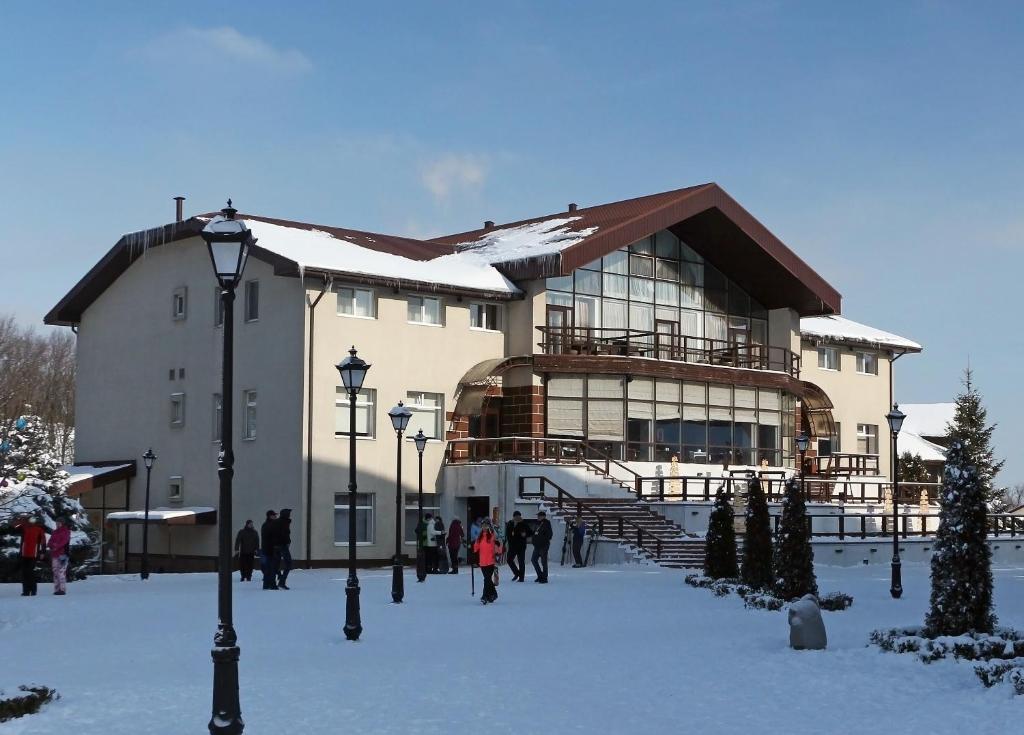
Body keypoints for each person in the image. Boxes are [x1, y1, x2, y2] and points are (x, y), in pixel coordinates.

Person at [13, 515, 46, 596]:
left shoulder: (39, 529)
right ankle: (26, 591)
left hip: (33, 554)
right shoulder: (24, 527)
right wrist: (22, 520)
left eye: (33, 519)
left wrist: (43, 552)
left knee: (30, 572)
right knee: (24, 573)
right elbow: (14, 527)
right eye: (30, 519)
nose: (32, 521)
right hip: (24, 554)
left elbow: (43, 541)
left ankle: (33, 590)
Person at [472, 521, 503, 604]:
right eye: (483, 526)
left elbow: (498, 548)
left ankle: (484, 596)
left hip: (491, 561)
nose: (484, 527)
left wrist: (498, 545)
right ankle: (493, 594)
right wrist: (473, 548)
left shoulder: (493, 535)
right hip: (482, 562)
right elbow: (476, 547)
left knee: (487, 579)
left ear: (489, 526)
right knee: (487, 579)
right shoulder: (480, 536)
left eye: (486, 525)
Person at [504, 510, 533, 582]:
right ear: (513, 517)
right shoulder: (510, 523)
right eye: (515, 516)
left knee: (521, 561)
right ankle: (517, 573)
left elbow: (530, 532)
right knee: (509, 560)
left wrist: (525, 534)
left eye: (518, 516)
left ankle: (521, 577)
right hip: (512, 546)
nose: (517, 518)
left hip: (521, 546)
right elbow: (507, 533)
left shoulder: (523, 524)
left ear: (520, 516)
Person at [47, 516, 71, 595]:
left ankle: (62, 589)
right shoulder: (55, 532)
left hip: (63, 554)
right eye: (56, 523)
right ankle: (57, 589)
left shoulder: (66, 531)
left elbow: (64, 542)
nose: (57, 524)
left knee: (61, 572)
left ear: (62, 523)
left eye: (59, 523)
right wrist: (51, 545)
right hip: (55, 554)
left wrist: (55, 546)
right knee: (55, 572)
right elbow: (50, 541)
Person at [531, 510, 553, 583]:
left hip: (543, 545)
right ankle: (540, 575)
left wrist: (542, 540)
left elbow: (549, 535)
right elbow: (534, 532)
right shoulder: (537, 523)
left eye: (539, 516)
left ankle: (544, 577)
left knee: (544, 562)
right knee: (533, 560)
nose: (538, 517)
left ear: (543, 516)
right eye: (538, 516)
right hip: (537, 545)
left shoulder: (547, 523)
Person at [260, 510, 279, 590]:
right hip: (270, 549)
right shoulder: (270, 525)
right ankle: (272, 584)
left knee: (268, 568)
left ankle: (266, 584)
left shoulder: (266, 525)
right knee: (271, 568)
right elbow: (271, 538)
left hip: (267, 549)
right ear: (270, 516)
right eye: (274, 515)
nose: (275, 516)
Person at [276, 508, 293, 590]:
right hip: (282, 545)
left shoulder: (282, 522)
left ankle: (280, 579)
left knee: (276, 563)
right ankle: (281, 581)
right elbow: (284, 535)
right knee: (288, 563)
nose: (290, 515)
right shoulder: (284, 523)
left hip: (279, 545)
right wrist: (288, 541)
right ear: (286, 514)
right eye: (289, 513)